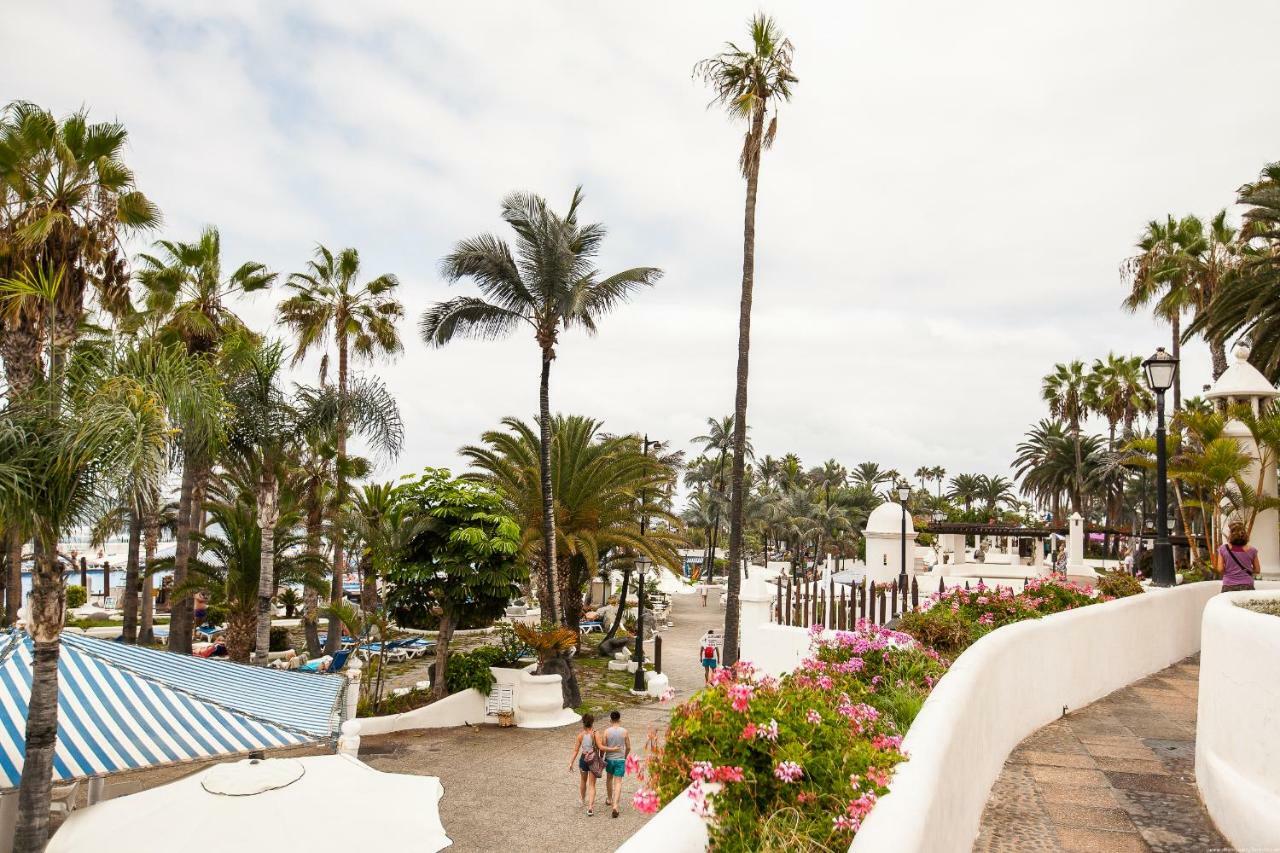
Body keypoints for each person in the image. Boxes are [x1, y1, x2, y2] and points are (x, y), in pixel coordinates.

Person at [568, 713, 603, 815]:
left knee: (583, 781)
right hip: (593, 760)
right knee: (592, 784)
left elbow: (575, 750)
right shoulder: (596, 734)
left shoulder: (580, 735)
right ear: (592, 722)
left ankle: (582, 800)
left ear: (583, 722)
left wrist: (571, 762)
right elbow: (600, 747)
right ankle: (590, 807)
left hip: (583, 759)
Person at [601, 710, 631, 818]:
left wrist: (602, 757)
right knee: (618, 782)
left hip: (609, 759)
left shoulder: (606, 732)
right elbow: (628, 747)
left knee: (609, 779)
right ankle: (615, 806)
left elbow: (603, 746)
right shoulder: (624, 731)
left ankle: (609, 799)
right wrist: (625, 756)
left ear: (610, 719)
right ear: (619, 719)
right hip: (620, 760)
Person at [1215, 521, 1260, 592]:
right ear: (1244, 534)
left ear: (1230, 534)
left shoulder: (1223, 549)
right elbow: (1257, 570)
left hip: (1229, 585)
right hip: (1247, 585)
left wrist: (1231, 570)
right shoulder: (1252, 550)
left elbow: (1220, 569)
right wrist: (1246, 570)